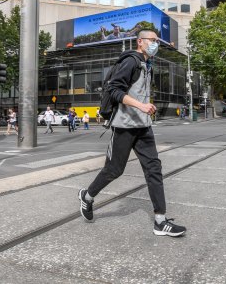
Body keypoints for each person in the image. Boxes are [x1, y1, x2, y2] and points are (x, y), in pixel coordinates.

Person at [78, 29, 186, 237]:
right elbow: (115, 91)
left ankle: (160, 220)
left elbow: (138, 93)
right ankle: (88, 196)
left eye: (157, 41)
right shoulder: (131, 61)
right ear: (140, 42)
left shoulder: (147, 65)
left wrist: (146, 107)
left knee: (154, 169)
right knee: (114, 170)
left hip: (143, 126)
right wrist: (141, 106)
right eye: (152, 40)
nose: (156, 44)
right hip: (125, 126)